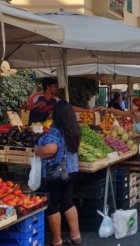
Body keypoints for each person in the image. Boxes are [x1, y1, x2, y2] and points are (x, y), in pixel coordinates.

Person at [34, 101, 82, 246]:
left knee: (53, 205)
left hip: (57, 173)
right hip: (71, 171)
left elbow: (50, 150)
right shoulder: (74, 129)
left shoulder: (55, 131)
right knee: (67, 201)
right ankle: (76, 235)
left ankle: (57, 240)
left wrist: (37, 151)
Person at [99, 98, 140, 201]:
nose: (130, 106)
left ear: (137, 106)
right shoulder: (133, 115)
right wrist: (105, 108)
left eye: (132, 104)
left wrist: (137, 135)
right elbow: (119, 112)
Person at [26, 78, 92, 125]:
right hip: (30, 126)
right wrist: (36, 105)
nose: (57, 88)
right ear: (48, 87)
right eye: (55, 86)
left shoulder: (55, 99)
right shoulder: (36, 96)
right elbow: (24, 107)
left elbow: (69, 107)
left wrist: (88, 110)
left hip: (45, 127)